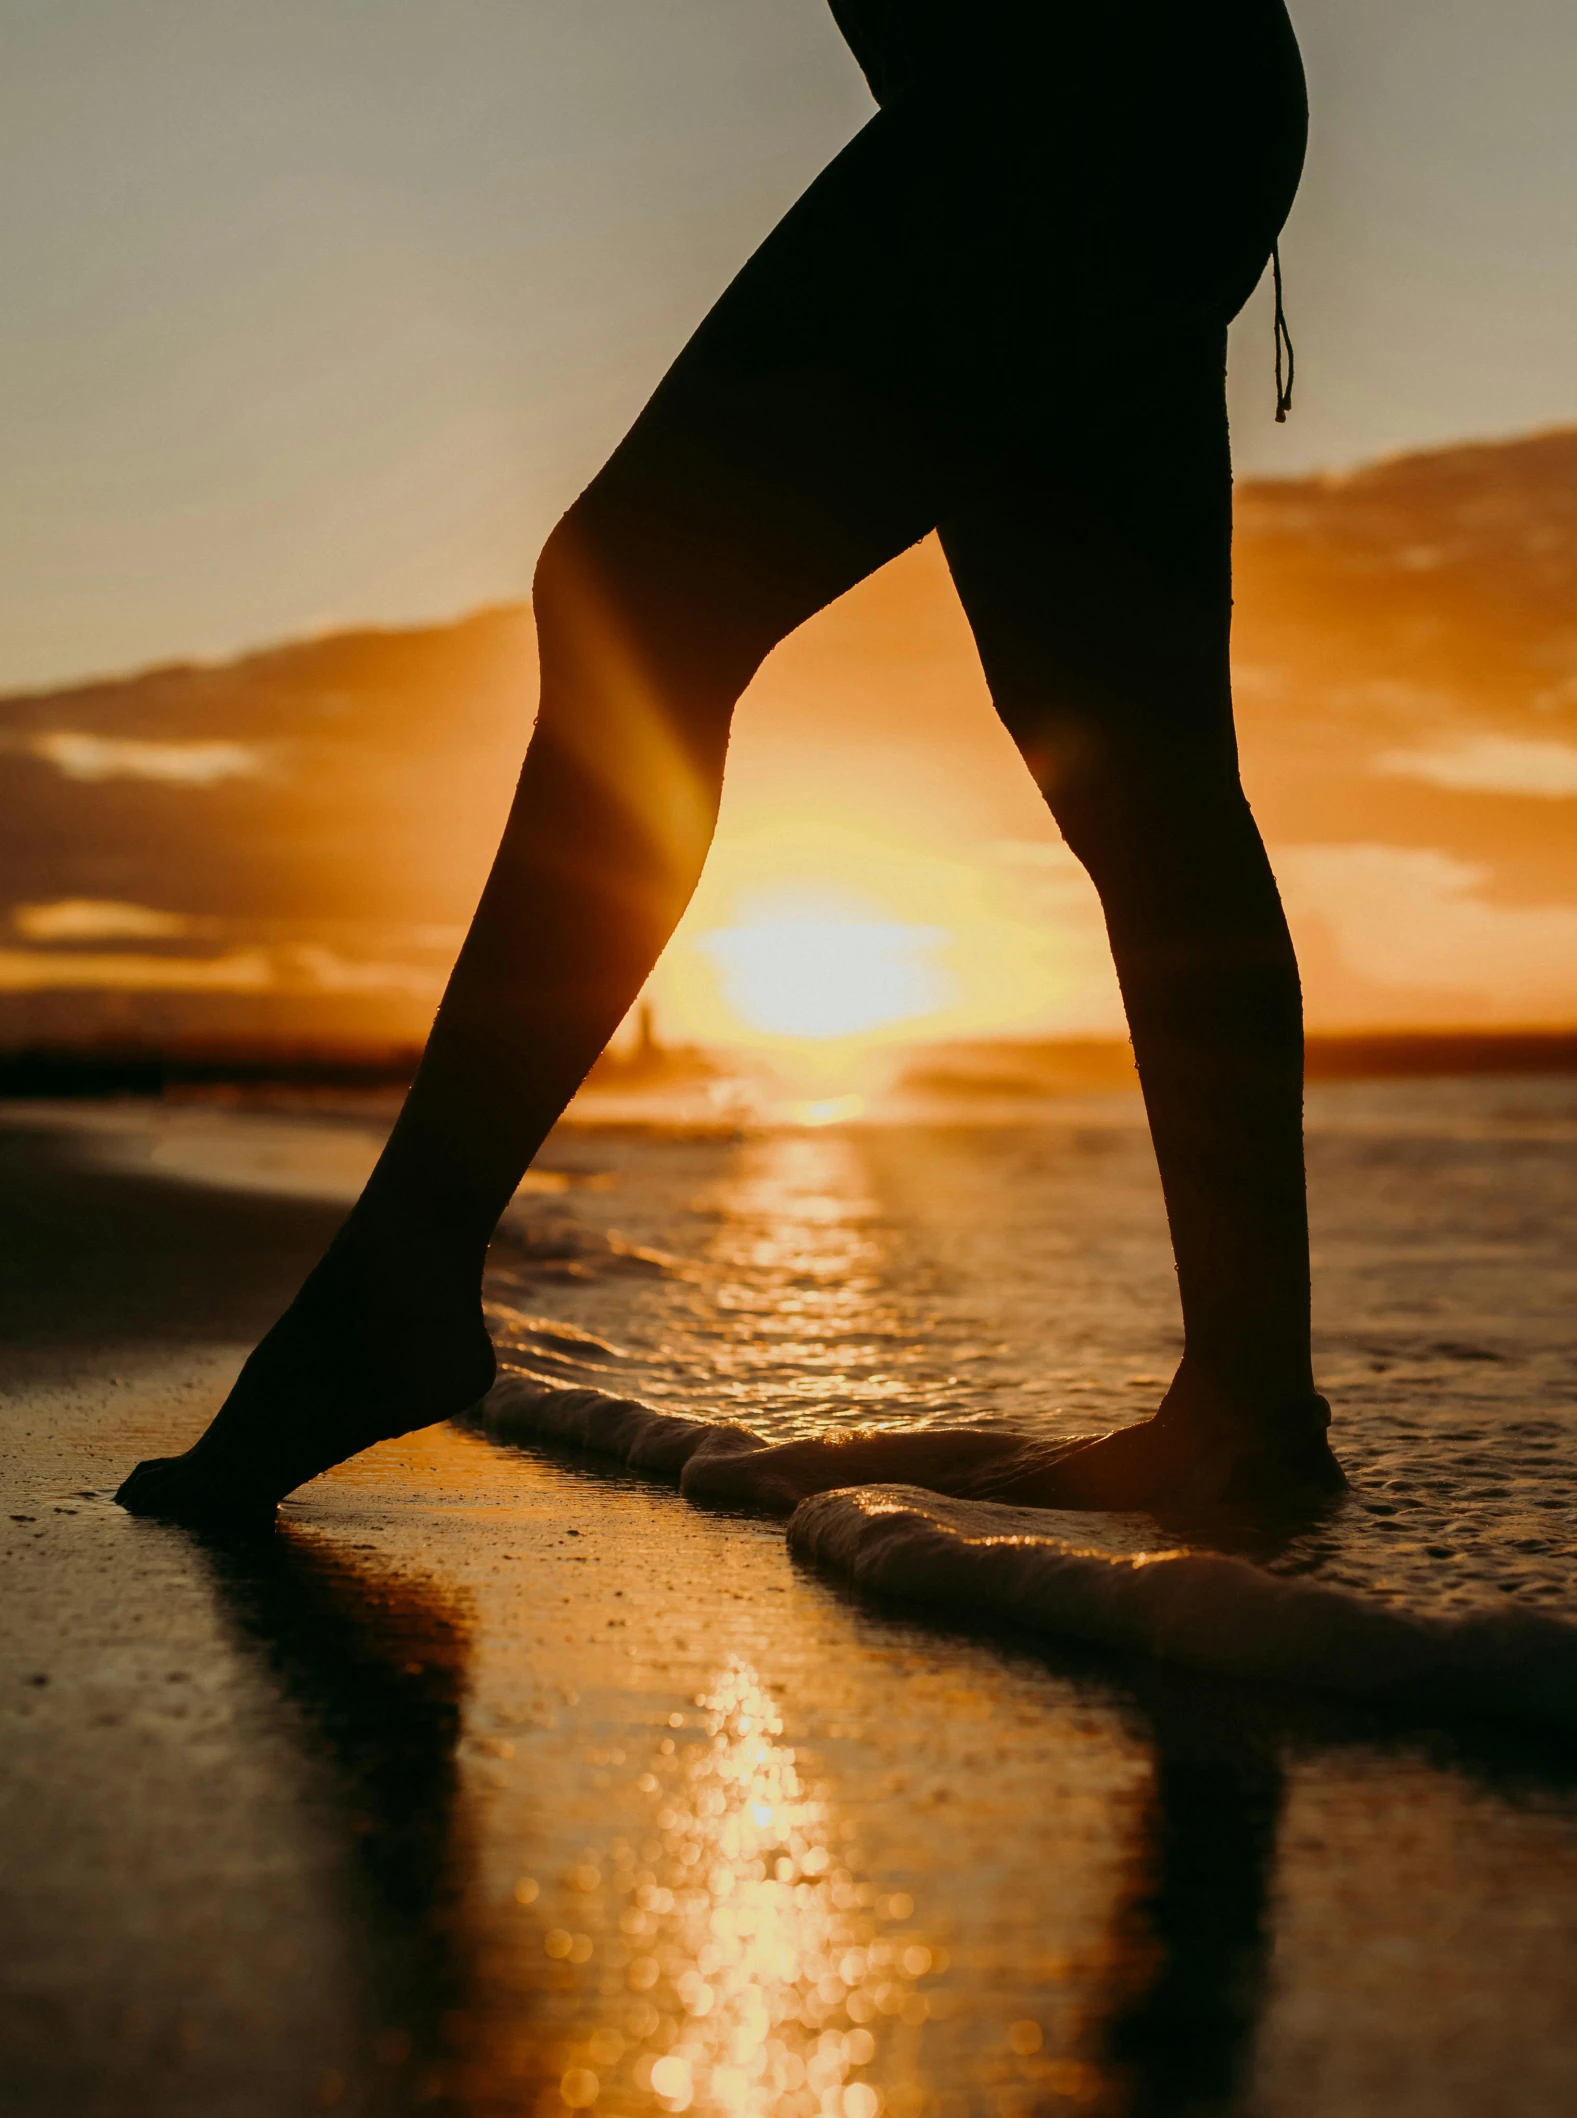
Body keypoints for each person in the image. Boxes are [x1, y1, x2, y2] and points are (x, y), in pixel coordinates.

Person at [120, 0, 1343, 1523]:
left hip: (1066, 94)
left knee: (635, 593)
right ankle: (1252, 1405)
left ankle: (402, 1278)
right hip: (1159, 99)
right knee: (1143, 781)